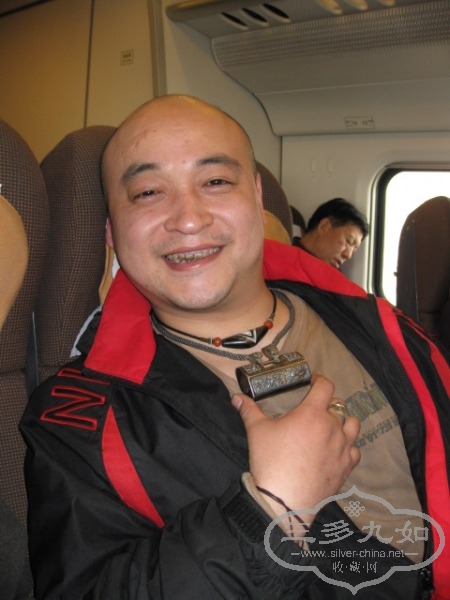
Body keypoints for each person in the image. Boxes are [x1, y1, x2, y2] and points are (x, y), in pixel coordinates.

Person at [20, 95, 449, 600]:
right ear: (112, 232)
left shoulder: (382, 326)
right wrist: (269, 512)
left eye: (216, 182)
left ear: (257, 199)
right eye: (148, 192)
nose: (188, 218)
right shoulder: (78, 422)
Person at [297, 198, 369, 269]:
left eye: (353, 251)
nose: (348, 255)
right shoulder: (292, 258)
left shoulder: (334, 274)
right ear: (324, 226)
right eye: (348, 241)